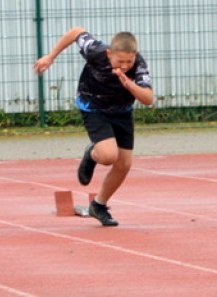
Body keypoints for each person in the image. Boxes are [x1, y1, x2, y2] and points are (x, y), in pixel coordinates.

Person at [33, 28, 154, 227]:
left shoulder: (138, 65)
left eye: (128, 62)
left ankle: (98, 205)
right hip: (93, 107)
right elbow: (76, 32)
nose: (124, 66)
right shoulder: (96, 51)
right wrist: (51, 56)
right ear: (109, 54)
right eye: (119, 61)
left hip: (122, 111)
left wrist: (129, 85)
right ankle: (92, 154)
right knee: (108, 156)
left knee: (124, 165)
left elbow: (148, 99)